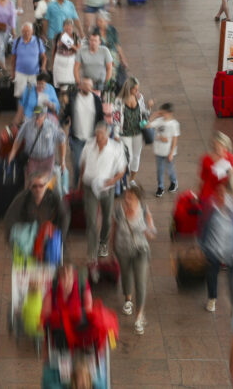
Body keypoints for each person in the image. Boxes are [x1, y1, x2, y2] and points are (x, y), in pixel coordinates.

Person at [201, 177, 233, 313]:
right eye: (218, 193)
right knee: (211, 275)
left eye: (223, 194)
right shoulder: (210, 207)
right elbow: (203, 227)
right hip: (213, 250)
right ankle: (212, 298)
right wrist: (203, 246)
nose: (219, 197)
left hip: (232, 251)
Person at [79, 122, 127, 262]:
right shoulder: (88, 145)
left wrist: (113, 181)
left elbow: (121, 170)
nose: (98, 136)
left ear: (107, 134)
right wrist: (80, 182)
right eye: (97, 133)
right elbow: (82, 164)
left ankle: (103, 243)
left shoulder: (116, 148)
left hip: (107, 187)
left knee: (107, 217)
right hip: (89, 186)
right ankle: (92, 252)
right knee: (92, 220)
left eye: (101, 134)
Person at [113, 184, 156, 334]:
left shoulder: (144, 210)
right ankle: (128, 300)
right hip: (122, 248)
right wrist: (113, 246)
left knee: (140, 282)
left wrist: (146, 228)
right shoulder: (119, 209)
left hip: (140, 250)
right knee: (125, 275)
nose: (127, 200)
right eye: (126, 196)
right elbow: (114, 226)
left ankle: (139, 316)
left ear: (138, 198)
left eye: (130, 198)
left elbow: (152, 233)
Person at [9, 105, 67, 185]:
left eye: (40, 116)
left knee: (47, 185)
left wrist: (62, 161)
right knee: (32, 184)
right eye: (36, 115)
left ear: (45, 115)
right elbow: (17, 141)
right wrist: (11, 156)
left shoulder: (52, 126)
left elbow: (62, 140)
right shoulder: (27, 125)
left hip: (48, 160)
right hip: (32, 160)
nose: (37, 118)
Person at [3, 171, 70, 237]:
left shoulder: (54, 198)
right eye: (34, 186)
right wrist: (13, 235)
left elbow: (65, 215)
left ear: (46, 185)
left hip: (49, 237)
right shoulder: (23, 198)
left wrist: (60, 236)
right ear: (30, 186)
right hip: (28, 238)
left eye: (41, 186)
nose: (38, 189)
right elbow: (10, 217)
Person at [114, 77, 151, 183]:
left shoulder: (139, 98)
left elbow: (144, 113)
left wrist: (148, 107)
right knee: (127, 157)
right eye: (135, 89)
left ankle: (132, 180)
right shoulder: (119, 101)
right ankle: (124, 177)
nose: (137, 91)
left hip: (138, 132)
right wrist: (116, 134)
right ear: (128, 88)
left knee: (136, 156)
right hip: (125, 132)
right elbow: (116, 118)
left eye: (137, 89)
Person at [199, 131, 233, 202]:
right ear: (213, 146)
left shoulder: (232, 159)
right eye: (217, 147)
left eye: (222, 147)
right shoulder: (207, 159)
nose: (220, 150)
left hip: (226, 196)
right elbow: (203, 179)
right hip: (209, 195)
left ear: (226, 147)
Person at [146, 103, 180, 197]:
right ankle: (160, 187)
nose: (162, 114)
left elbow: (174, 140)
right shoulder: (159, 121)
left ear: (170, 113)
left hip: (168, 152)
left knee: (169, 169)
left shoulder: (174, 124)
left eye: (164, 113)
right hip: (159, 151)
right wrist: (154, 115)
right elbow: (147, 125)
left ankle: (174, 181)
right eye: (162, 112)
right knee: (160, 170)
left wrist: (171, 153)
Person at [10, 22, 46, 100]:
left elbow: (44, 57)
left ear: (32, 31)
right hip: (20, 72)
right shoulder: (17, 41)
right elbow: (13, 58)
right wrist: (12, 72)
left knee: (35, 93)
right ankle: (21, 111)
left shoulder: (38, 41)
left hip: (34, 73)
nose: (26, 33)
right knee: (20, 94)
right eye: (24, 31)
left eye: (28, 31)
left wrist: (43, 67)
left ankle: (34, 110)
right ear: (22, 32)